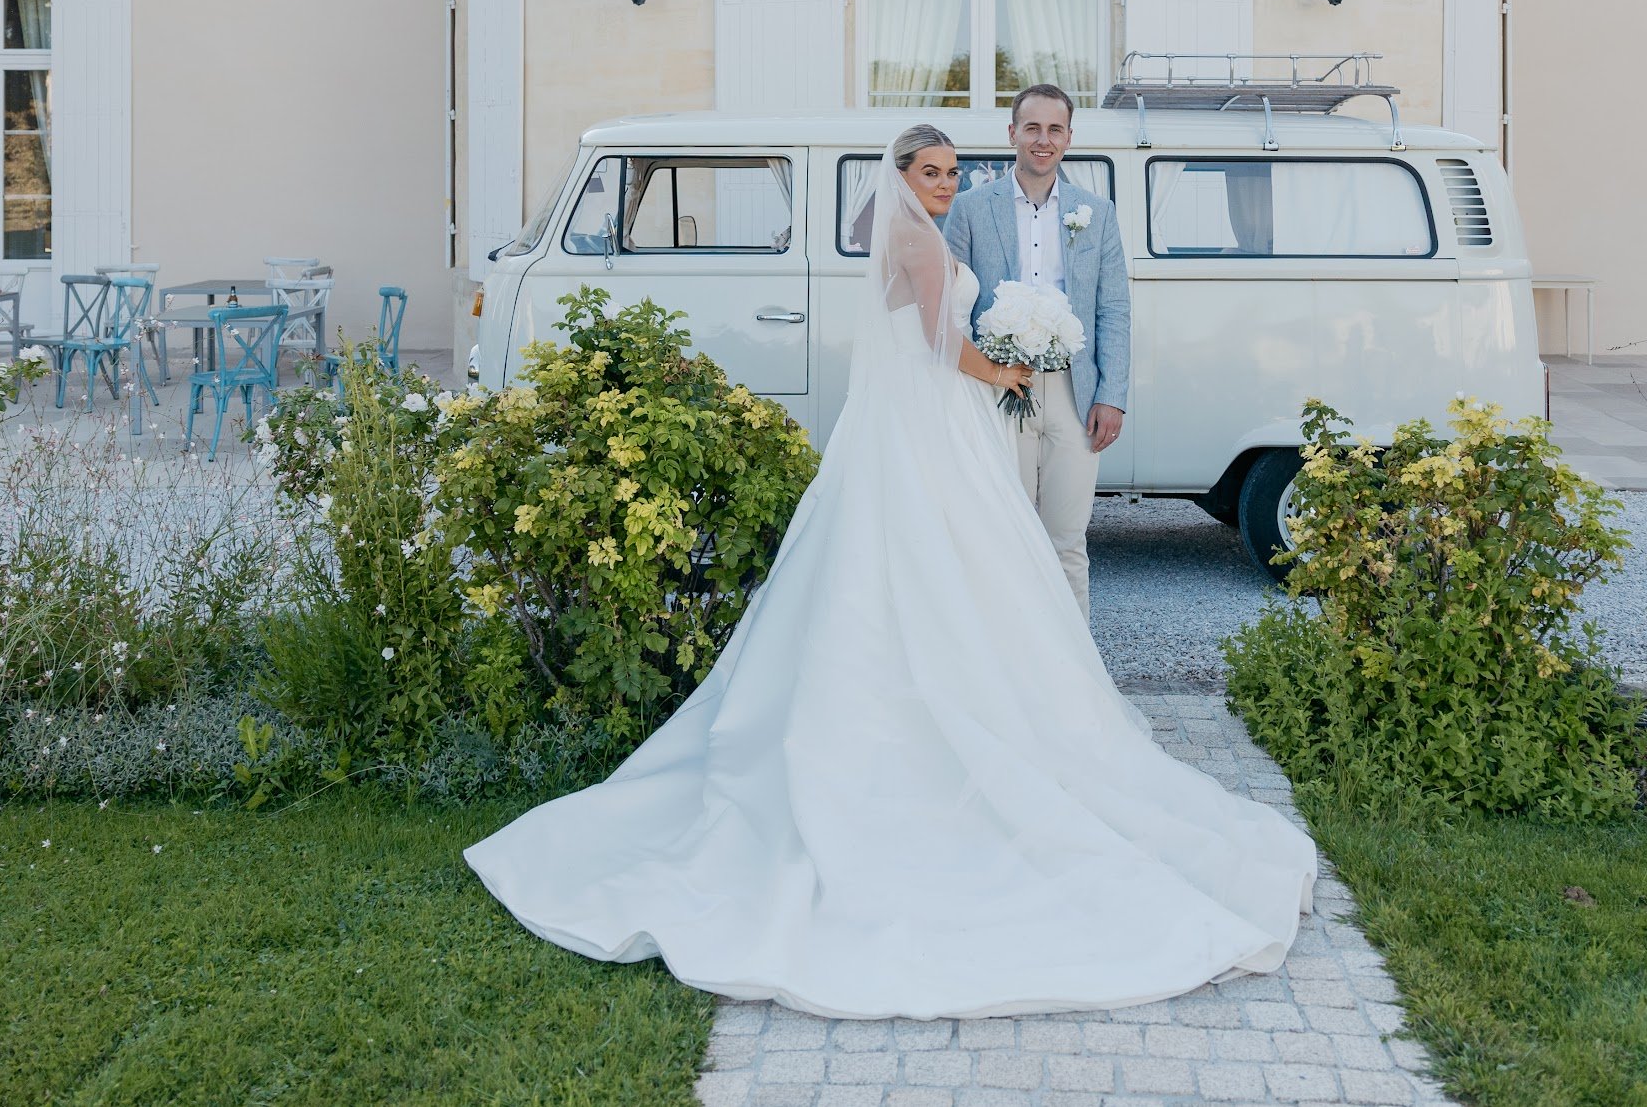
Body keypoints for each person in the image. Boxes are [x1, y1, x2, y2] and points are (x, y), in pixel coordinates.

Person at [463, 126, 1313, 1020]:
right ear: (903, 178)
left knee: (912, 570)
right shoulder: (915, 235)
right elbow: (949, 347)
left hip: (919, 424)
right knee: (956, 568)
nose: (946, 185)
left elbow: (926, 321)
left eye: (952, 173)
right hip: (938, 418)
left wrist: (992, 351)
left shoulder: (905, 232)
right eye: (931, 173)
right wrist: (1012, 370)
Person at [939, 83, 1130, 619]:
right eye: (1032, 128)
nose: (1042, 140)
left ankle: (1075, 681)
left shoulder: (1098, 212)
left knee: (1068, 541)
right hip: (1000, 388)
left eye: (1054, 129)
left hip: (1076, 392)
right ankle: (1012, 672)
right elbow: (952, 298)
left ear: (1069, 137)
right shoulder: (972, 209)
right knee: (1006, 535)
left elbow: (1113, 309)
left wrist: (1112, 395)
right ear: (1013, 134)